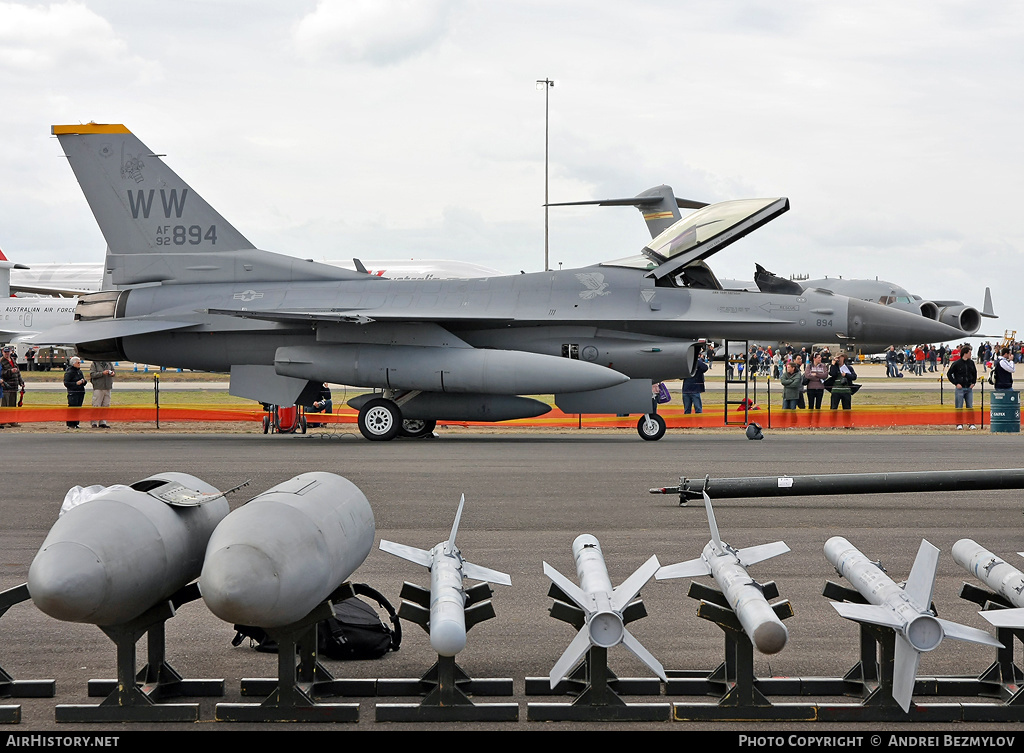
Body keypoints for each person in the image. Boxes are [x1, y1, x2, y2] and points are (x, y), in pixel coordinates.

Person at [947, 343, 977, 430]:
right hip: (960, 388)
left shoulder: (971, 363)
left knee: (970, 407)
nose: (971, 354)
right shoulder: (957, 363)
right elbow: (949, 374)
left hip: (969, 388)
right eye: (969, 353)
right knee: (959, 407)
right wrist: (956, 383)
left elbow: (974, 373)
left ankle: (971, 424)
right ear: (965, 353)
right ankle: (959, 424)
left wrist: (973, 382)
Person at [0, 346, 24, 428]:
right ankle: (3, 421)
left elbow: (18, 372)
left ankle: (12, 420)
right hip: (6, 386)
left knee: (12, 404)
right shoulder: (1, 361)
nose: (7, 354)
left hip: (14, 385)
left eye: (8, 352)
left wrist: (21, 382)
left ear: (10, 352)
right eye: (5, 352)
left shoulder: (13, 360)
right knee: (5, 404)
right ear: (2, 352)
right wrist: (10, 371)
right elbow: (1, 373)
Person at [89, 359, 115, 428]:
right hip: (98, 387)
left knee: (106, 405)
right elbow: (92, 374)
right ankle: (94, 422)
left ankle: (103, 422)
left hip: (108, 387)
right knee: (96, 405)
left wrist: (112, 373)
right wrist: (102, 373)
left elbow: (113, 371)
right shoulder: (95, 363)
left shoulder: (109, 362)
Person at [64, 356, 87, 429]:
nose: (79, 364)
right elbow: (66, 383)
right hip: (73, 392)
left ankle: (76, 423)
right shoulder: (69, 372)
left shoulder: (79, 371)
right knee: (72, 408)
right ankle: (70, 424)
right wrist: (76, 383)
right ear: (73, 363)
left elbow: (84, 380)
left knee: (78, 408)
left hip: (80, 392)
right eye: (78, 363)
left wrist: (83, 382)